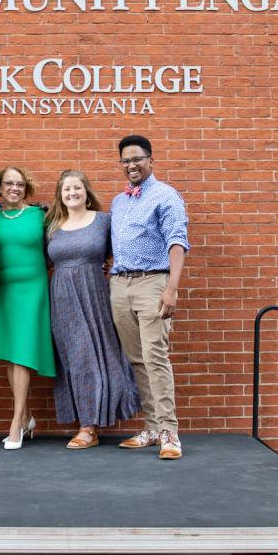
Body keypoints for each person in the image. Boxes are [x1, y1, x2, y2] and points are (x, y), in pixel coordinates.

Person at [46, 169, 139, 449]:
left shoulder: (102, 221)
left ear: (86, 191)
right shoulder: (51, 225)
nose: (72, 193)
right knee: (75, 358)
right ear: (60, 195)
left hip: (95, 294)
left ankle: (89, 426)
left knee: (97, 355)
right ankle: (88, 423)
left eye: (77, 187)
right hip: (62, 298)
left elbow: (120, 252)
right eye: (66, 189)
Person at [109, 134, 190, 460]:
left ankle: (170, 432)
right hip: (120, 286)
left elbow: (177, 242)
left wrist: (172, 289)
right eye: (126, 161)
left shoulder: (165, 196)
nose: (131, 165)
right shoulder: (119, 202)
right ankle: (152, 427)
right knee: (137, 359)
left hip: (153, 283)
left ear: (151, 161)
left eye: (137, 159)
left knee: (155, 357)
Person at [0, 166, 56, 450]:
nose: (14, 188)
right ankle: (26, 417)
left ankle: (16, 424)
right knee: (10, 354)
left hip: (33, 290)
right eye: (9, 183)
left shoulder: (40, 215)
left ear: (27, 188)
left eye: (20, 184)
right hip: (4, 292)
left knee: (22, 355)